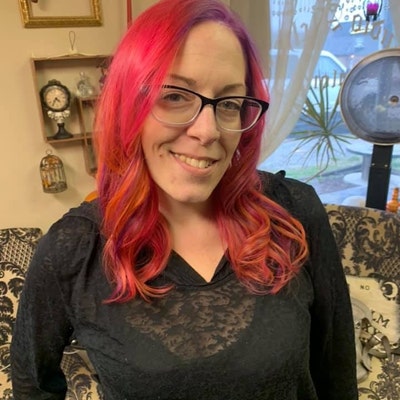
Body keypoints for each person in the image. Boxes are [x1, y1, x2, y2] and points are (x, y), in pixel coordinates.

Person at [11, 0, 358, 399]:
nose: (207, 131)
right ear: (129, 103)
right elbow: (32, 383)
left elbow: (336, 374)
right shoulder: (74, 249)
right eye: (175, 96)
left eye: (229, 103)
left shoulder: (293, 214)